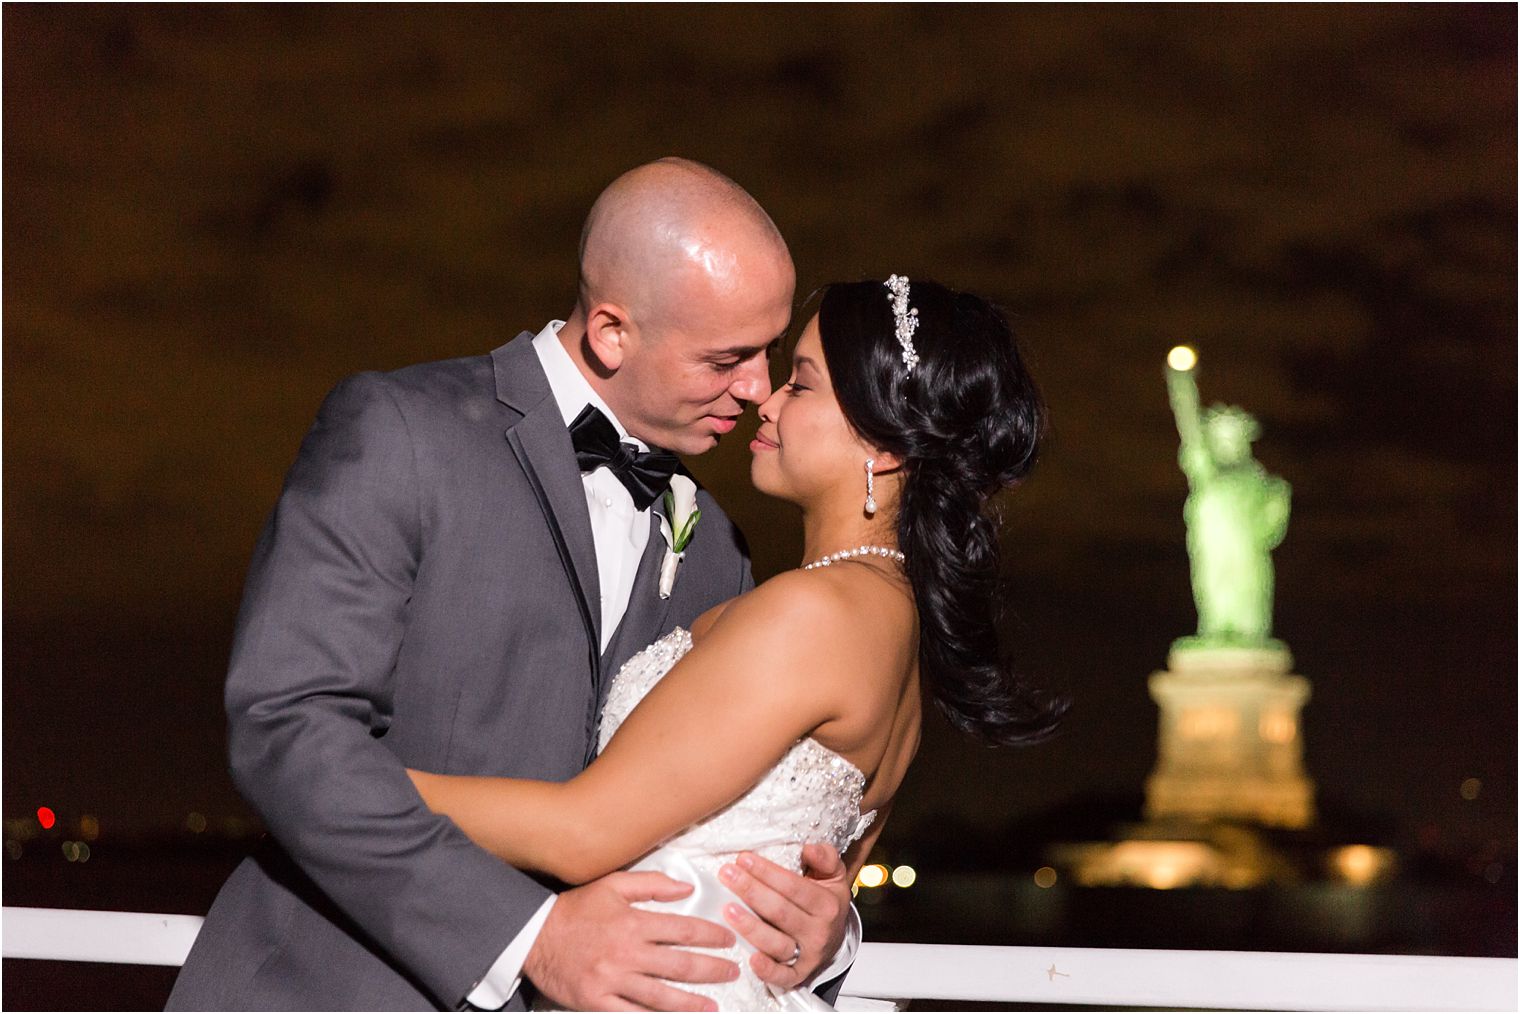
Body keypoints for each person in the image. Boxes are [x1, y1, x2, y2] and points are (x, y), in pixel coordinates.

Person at [168, 159, 861, 1012]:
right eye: (728, 357)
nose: (757, 389)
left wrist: (821, 929)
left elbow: (710, 808)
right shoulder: (398, 431)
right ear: (612, 332)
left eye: (769, 351)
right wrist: (529, 936)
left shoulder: (717, 544)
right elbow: (285, 725)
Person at [405, 276, 1069, 1010]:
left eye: (801, 385)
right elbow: (825, 876)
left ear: (879, 444)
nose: (767, 400)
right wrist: (834, 924)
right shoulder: (890, 625)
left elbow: (583, 833)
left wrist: (353, 781)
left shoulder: (814, 613)